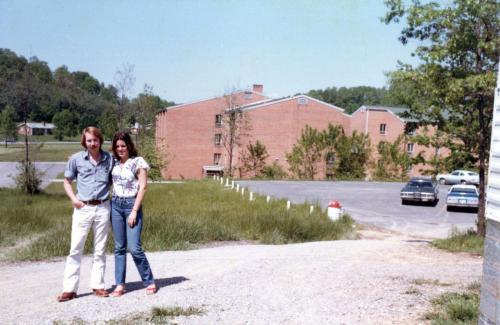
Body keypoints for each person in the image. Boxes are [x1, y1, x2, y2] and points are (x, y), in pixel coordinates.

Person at [57, 126, 114, 302]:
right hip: (83, 208)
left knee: (100, 249)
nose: (93, 143)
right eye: (89, 140)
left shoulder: (109, 159)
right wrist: (74, 199)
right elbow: (66, 182)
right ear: (84, 142)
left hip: (103, 208)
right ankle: (69, 289)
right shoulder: (76, 159)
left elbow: (115, 179)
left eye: (95, 140)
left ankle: (98, 285)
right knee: (76, 248)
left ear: (100, 141)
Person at [110, 131, 156, 296]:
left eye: (123, 145)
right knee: (119, 247)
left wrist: (134, 211)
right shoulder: (113, 163)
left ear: (129, 145)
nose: (120, 149)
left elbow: (143, 187)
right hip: (115, 205)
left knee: (134, 247)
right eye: (117, 146)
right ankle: (120, 284)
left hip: (131, 205)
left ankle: (149, 281)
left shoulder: (138, 162)